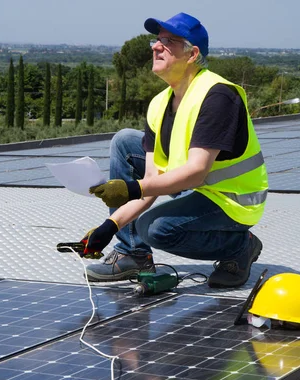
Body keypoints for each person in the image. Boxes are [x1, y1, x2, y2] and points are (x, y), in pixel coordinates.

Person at [80, 12, 268, 288]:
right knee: (124, 142)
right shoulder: (159, 103)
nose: (156, 46)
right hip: (198, 188)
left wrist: (130, 189)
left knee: (156, 229)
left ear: (192, 54)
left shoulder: (217, 96)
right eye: (157, 40)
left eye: (168, 41)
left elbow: (194, 173)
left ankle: (240, 247)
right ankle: (132, 252)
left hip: (233, 201)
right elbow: (152, 182)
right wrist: (111, 226)